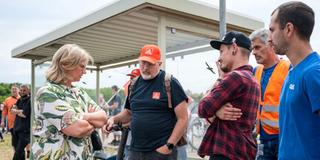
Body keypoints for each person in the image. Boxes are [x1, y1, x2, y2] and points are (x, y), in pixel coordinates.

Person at [104, 44, 189, 160]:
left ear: (159, 64)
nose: (144, 68)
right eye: (142, 63)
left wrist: (169, 145)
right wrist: (114, 119)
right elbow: (128, 113)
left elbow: (183, 118)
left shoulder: (170, 82)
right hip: (136, 151)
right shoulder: (133, 85)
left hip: (161, 152)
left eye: (150, 64)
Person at [31, 44, 108, 160]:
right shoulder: (47, 93)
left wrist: (81, 117)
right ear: (66, 64)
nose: (85, 71)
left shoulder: (79, 92)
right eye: (82, 66)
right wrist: (92, 120)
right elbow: (77, 129)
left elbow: (103, 118)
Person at [269, 2, 320, 159]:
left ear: (289, 29)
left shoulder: (313, 72)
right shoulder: (293, 72)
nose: (269, 38)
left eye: (272, 30)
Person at [197, 31, 260, 160]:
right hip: (242, 151)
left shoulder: (235, 77)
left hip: (226, 152)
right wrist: (216, 112)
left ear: (234, 48)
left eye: (221, 51)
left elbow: (203, 108)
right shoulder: (253, 80)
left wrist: (220, 79)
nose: (219, 58)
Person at [248, 28, 291, 160]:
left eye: (257, 47)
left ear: (270, 44)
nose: (253, 52)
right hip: (263, 139)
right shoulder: (256, 71)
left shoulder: (288, 69)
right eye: (252, 49)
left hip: (283, 138)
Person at [10, 84, 31, 160]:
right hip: (16, 129)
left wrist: (17, 111)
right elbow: (12, 110)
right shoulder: (19, 99)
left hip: (25, 131)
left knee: (18, 152)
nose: (22, 92)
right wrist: (20, 111)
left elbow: (24, 114)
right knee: (19, 151)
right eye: (21, 90)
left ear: (29, 90)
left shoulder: (30, 100)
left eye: (24, 90)